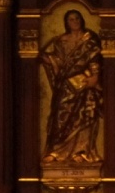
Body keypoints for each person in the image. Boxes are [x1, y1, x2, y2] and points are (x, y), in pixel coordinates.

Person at [40, 9, 103, 166]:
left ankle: (81, 151)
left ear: (82, 19)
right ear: (66, 23)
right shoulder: (61, 41)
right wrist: (45, 57)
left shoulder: (89, 40)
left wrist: (95, 77)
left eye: (77, 18)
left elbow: (95, 60)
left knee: (84, 116)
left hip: (84, 82)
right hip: (66, 84)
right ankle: (57, 151)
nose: (75, 21)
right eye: (71, 19)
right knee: (61, 115)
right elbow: (57, 60)